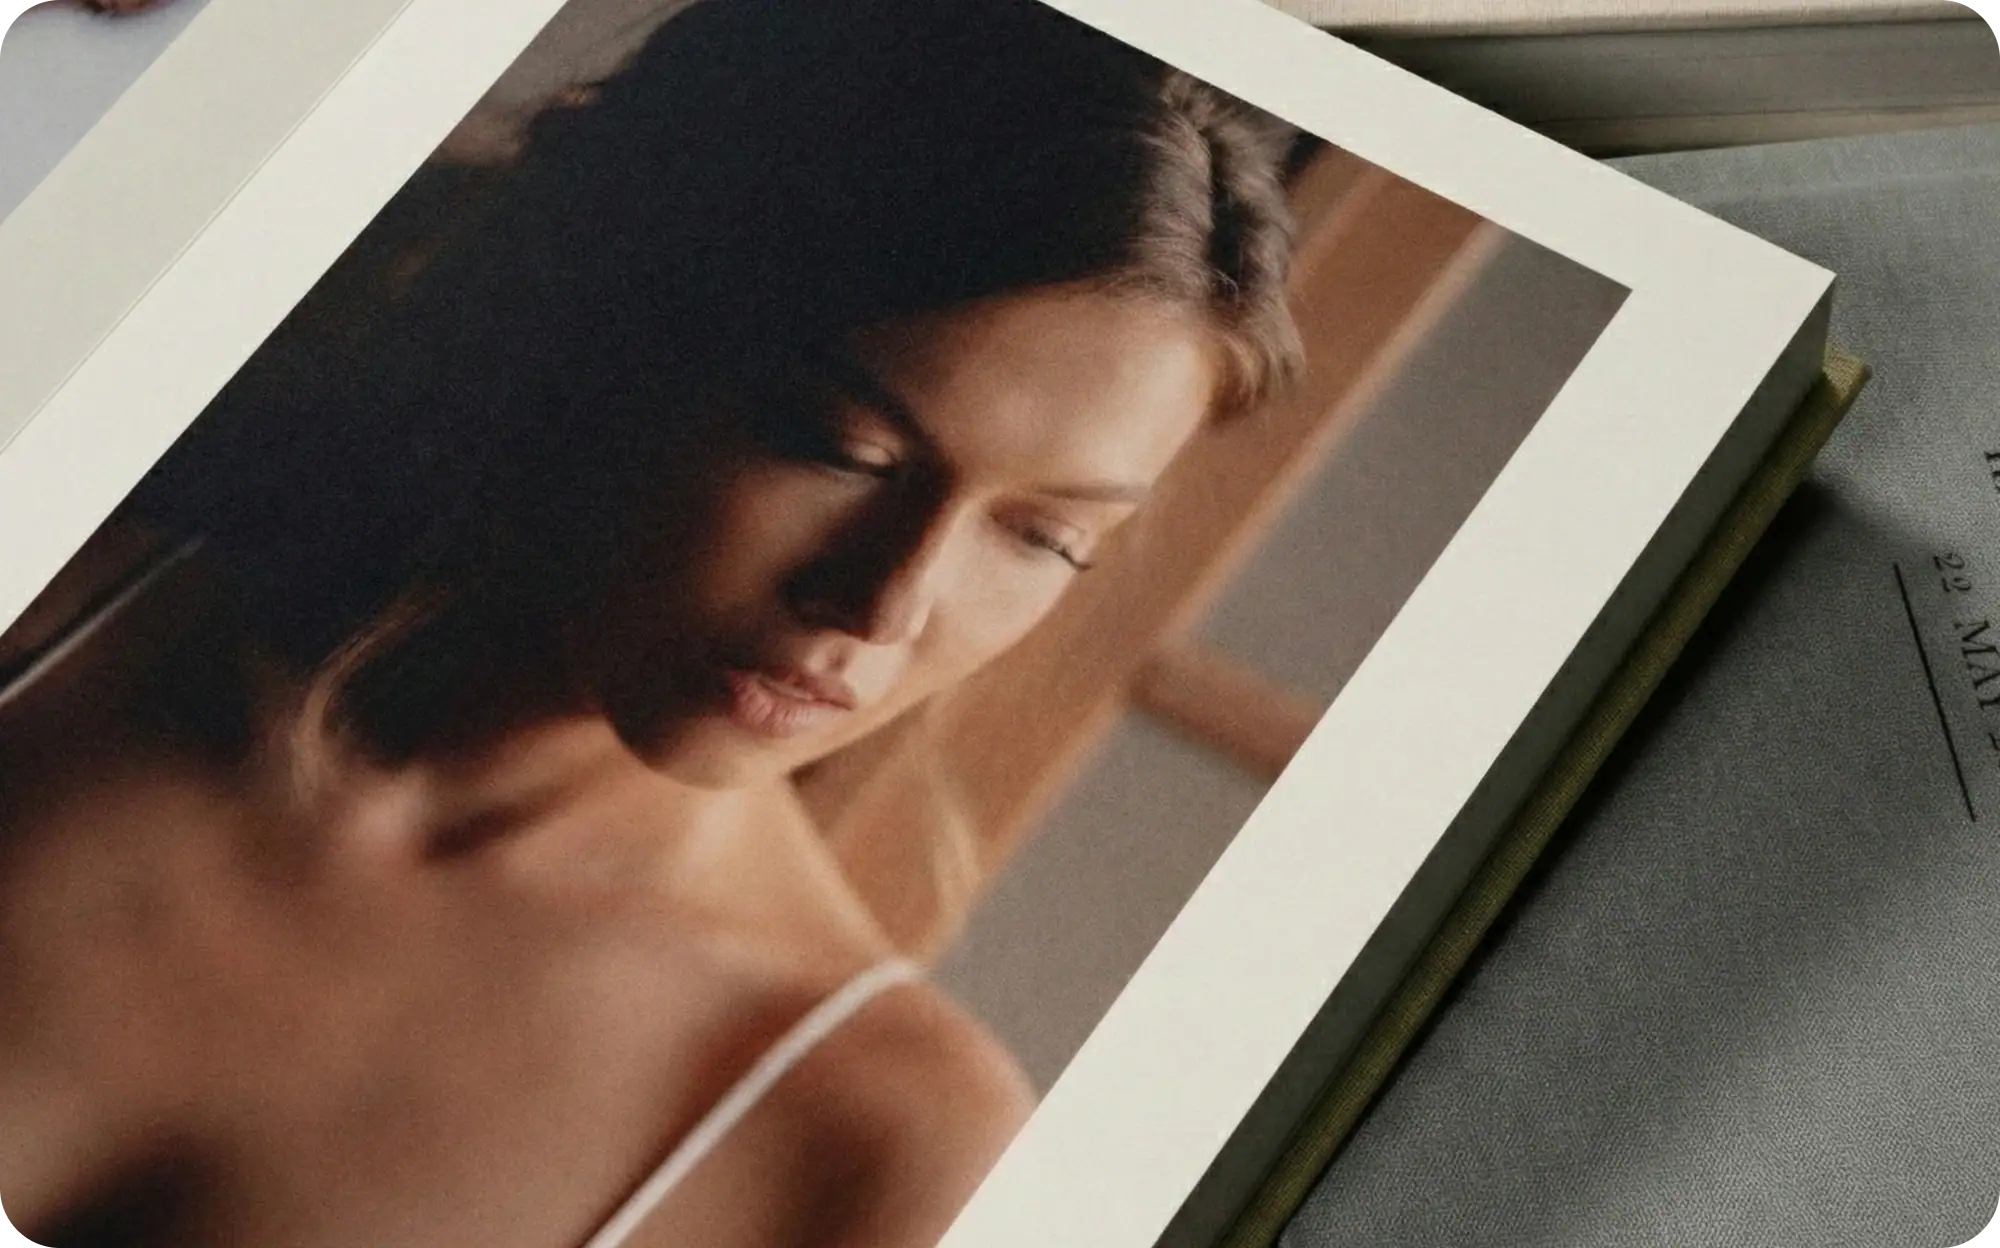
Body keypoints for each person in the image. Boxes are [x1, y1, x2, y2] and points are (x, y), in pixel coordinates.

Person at [0, 0, 1304, 1244]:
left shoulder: (871, 1143)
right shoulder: (53, 602)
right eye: (836, 446)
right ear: (623, 318)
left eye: (1042, 537)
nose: (884, 603)